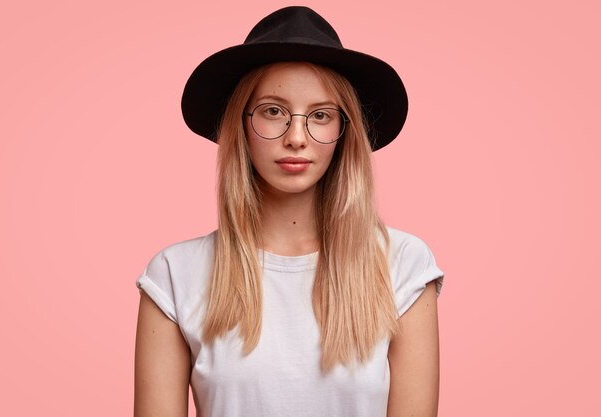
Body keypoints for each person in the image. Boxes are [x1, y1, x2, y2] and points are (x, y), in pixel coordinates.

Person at [134, 6, 444, 417]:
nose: (296, 137)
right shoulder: (174, 276)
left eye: (320, 115)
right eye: (273, 111)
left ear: (343, 131)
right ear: (241, 126)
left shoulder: (403, 267)